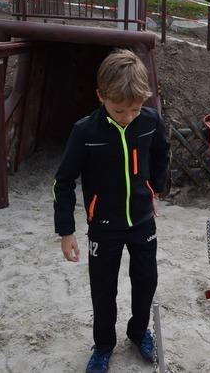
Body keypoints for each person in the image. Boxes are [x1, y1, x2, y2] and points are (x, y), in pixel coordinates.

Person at [53, 49, 169, 373]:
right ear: (100, 96)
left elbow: (162, 153)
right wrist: (66, 231)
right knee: (103, 289)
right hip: (103, 225)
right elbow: (63, 182)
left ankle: (138, 332)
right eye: (119, 110)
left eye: (134, 108)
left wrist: (155, 189)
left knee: (146, 280)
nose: (127, 117)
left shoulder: (149, 121)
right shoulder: (85, 132)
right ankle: (103, 345)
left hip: (142, 221)